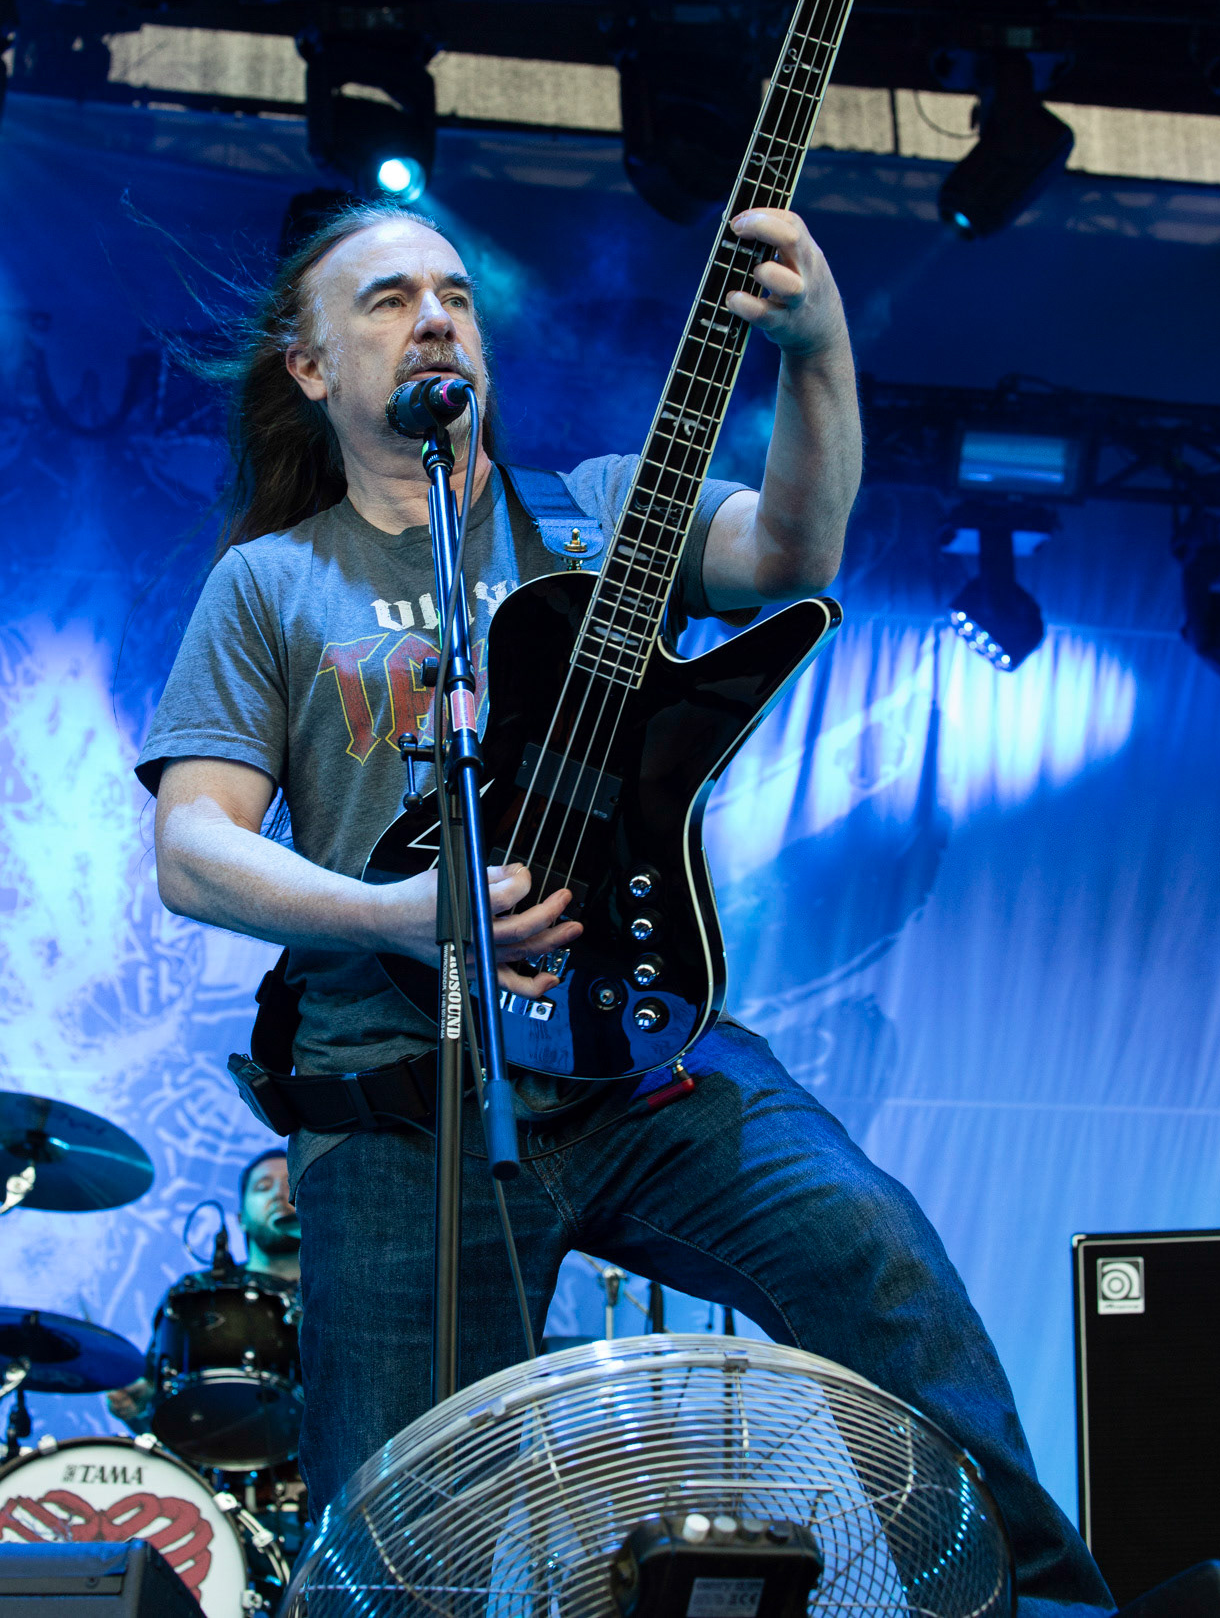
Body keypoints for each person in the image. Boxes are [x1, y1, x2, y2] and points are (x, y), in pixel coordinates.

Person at [136, 200, 1113, 1618]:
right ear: (309, 368)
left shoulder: (596, 512)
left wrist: (819, 345)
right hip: (404, 1088)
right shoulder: (272, 582)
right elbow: (192, 851)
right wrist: (411, 915)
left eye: (457, 294)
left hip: (649, 1055)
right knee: (406, 1534)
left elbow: (790, 557)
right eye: (388, 299)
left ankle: (1052, 1605)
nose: (436, 317)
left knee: (876, 1260)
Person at [108, 1148, 300, 1430]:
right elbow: (161, 1403)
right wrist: (137, 1406)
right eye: (263, 1186)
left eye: (291, 1183)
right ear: (240, 1219)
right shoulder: (197, 1293)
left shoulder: (351, 1292)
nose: (278, 1194)